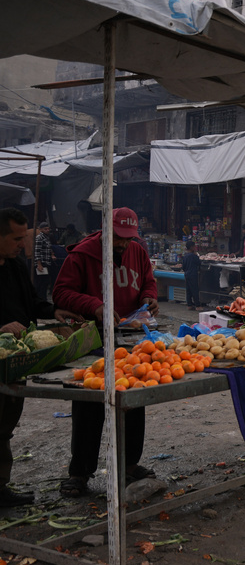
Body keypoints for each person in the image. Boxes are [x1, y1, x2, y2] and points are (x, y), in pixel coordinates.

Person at [53, 207, 159, 497]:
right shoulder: (83, 254)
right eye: (118, 237)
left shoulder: (137, 251)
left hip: (130, 338)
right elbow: (60, 293)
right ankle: (80, 472)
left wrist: (150, 296)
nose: (123, 244)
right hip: (95, 338)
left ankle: (128, 465)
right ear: (105, 230)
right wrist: (95, 306)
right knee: (90, 401)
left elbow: (148, 280)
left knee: (134, 398)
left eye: (128, 238)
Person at [0, 209, 82, 506]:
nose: (22, 244)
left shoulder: (17, 266)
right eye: (16, 238)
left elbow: (32, 304)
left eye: (23, 237)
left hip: (16, 360)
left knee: (4, 426)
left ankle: (1, 489)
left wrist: (53, 311)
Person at [33, 221, 53, 302]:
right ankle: (40, 299)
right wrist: (39, 264)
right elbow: (37, 252)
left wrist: (52, 255)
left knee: (45, 282)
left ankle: (43, 298)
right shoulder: (39, 238)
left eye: (48, 229)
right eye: (45, 229)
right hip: (42, 263)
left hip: (47, 261)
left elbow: (48, 248)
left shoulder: (46, 237)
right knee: (41, 282)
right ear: (40, 229)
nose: (47, 230)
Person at [182, 240, 201, 310]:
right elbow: (199, 263)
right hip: (193, 274)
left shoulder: (185, 256)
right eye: (194, 246)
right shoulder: (193, 256)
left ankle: (189, 305)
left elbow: (183, 267)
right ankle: (198, 305)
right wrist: (197, 255)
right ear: (192, 247)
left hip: (187, 274)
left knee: (189, 290)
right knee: (195, 289)